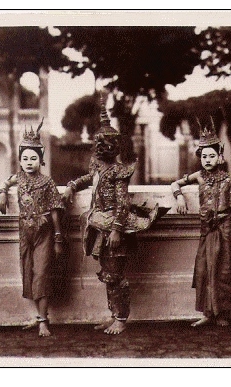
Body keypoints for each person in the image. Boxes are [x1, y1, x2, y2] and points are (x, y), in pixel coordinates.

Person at [62, 95, 163, 335]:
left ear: (115, 146)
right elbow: (90, 179)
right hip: (99, 223)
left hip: (114, 226)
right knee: (108, 273)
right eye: (99, 143)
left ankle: (121, 317)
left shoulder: (119, 172)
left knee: (116, 274)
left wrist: (117, 230)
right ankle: (113, 314)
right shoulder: (97, 165)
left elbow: (122, 203)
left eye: (107, 143)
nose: (101, 148)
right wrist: (72, 185)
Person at [170, 120, 231, 327]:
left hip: (225, 229)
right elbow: (175, 183)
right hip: (207, 229)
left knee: (224, 270)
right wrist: (179, 197)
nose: (208, 160)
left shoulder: (227, 180)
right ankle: (207, 312)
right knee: (205, 269)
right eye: (204, 156)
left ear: (219, 157)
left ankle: (221, 313)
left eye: (212, 155)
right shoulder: (200, 177)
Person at [0, 118, 64, 337]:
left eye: (33, 158)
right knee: (29, 273)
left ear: (40, 160)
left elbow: (55, 209)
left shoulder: (48, 182)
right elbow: (7, 182)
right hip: (25, 233)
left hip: (44, 233)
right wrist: (2, 194)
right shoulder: (20, 179)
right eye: (25, 158)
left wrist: (57, 238)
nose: (28, 162)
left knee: (42, 274)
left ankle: (44, 321)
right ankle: (39, 318)